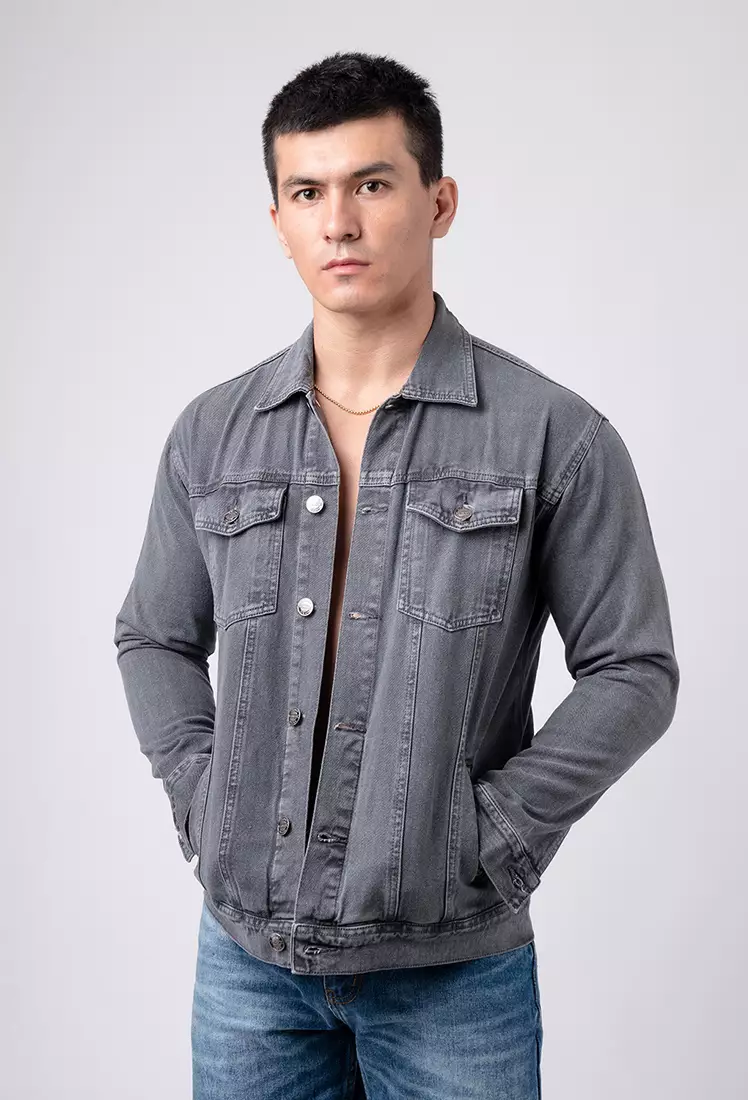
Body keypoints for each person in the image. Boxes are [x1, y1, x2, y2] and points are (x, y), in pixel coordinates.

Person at [113, 50, 680, 1100]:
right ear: (277, 219)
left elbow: (635, 669)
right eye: (307, 193)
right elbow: (152, 635)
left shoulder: (554, 435)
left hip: (453, 972)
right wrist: (203, 795)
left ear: (439, 201)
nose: (339, 222)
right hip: (247, 967)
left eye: (371, 183)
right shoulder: (212, 434)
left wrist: (494, 835)